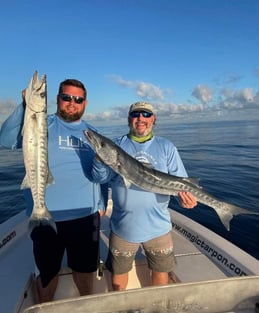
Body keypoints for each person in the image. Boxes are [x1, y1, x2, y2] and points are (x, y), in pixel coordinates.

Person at [0, 78, 108, 302]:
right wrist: (24, 106)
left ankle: (86, 306)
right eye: (66, 97)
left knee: (85, 272)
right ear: (57, 99)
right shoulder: (41, 123)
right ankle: (45, 306)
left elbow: (101, 176)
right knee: (48, 274)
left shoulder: (93, 133)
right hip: (46, 216)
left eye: (77, 99)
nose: (72, 103)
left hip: (85, 217)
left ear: (85, 103)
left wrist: (101, 203)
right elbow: (6, 139)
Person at [91, 101, 198, 291]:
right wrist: (100, 157)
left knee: (160, 272)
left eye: (146, 115)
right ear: (129, 119)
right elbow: (100, 178)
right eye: (136, 114)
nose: (141, 118)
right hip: (123, 227)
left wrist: (186, 200)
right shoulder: (116, 145)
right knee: (118, 274)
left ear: (154, 120)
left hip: (158, 227)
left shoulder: (166, 147)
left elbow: (182, 184)